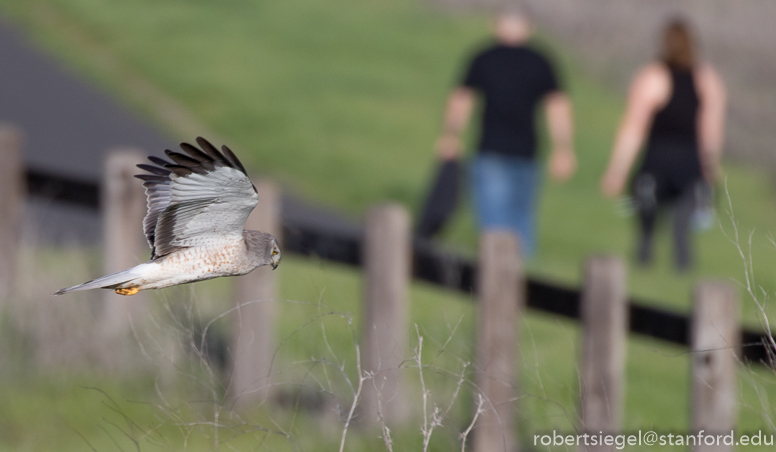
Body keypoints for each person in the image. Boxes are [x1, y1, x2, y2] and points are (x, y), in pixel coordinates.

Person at [435, 7, 575, 257]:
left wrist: (451, 135)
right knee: (518, 223)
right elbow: (558, 108)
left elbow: (462, 99)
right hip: (516, 153)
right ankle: (519, 282)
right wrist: (562, 149)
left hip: (499, 153)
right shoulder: (539, 60)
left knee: (498, 224)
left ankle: (501, 282)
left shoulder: (485, 56)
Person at [600, 18, 726, 270]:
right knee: (682, 225)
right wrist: (710, 167)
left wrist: (617, 170)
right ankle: (681, 270)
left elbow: (634, 127)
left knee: (647, 223)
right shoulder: (707, 79)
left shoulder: (652, 77)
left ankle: (644, 264)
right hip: (690, 163)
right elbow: (711, 130)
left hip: (657, 160)